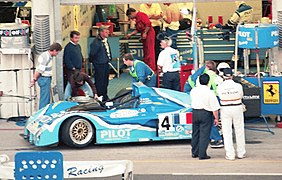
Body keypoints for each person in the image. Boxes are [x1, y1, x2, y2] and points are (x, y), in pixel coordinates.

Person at [184, 60, 224, 148]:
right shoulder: (218, 77)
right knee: (215, 119)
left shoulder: (202, 76)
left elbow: (192, 82)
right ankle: (217, 137)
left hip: (205, 98)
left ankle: (216, 139)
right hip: (216, 98)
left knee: (210, 120)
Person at [217, 68, 246, 160]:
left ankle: (230, 154)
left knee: (227, 131)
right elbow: (241, 95)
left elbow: (219, 95)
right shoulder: (238, 86)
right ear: (232, 76)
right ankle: (241, 153)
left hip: (225, 108)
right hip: (237, 107)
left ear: (223, 76)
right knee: (239, 130)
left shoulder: (220, 86)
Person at [190, 74, 220, 160]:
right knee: (204, 134)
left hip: (195, 112)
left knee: (195, 133)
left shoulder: (194, 90)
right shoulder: (209, 92)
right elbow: (215, 108)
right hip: (205, 113)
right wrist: (216, 118)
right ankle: (202, 154)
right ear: (208, 82)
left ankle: (194, 152)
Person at [30, 43, 62, 109]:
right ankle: (42, 113)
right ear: (54, 50)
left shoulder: (48, 56)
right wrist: (34, 79)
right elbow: (39, 70)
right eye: (57, 52)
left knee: (46, 98)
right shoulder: (46, 57)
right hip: (44, 79)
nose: (57, 54)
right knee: (45, 99)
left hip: (45, 78)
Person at [125, 7, 156, 72]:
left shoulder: (141, 15)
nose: (131, 18)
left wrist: (145, 33)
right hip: (144, 35)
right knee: (146, 51)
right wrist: (130, 34)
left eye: (130, 16)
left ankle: (152, 68)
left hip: (149, 34)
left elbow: (148, 24)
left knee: (150, 51)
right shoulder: (136, 19)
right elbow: (138, 29)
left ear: (132, 13)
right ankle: (146, 67)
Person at [89, 25, 112, 101]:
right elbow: (92, 54)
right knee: (100, 81)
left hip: (106, 63)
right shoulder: (96, 43)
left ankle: (104, 95)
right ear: (101, 32)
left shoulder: (105, 40)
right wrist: (96, 62)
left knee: (105, 81)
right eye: (106, 32)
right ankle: (99, 96)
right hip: (99, 64)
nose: (108, 33)